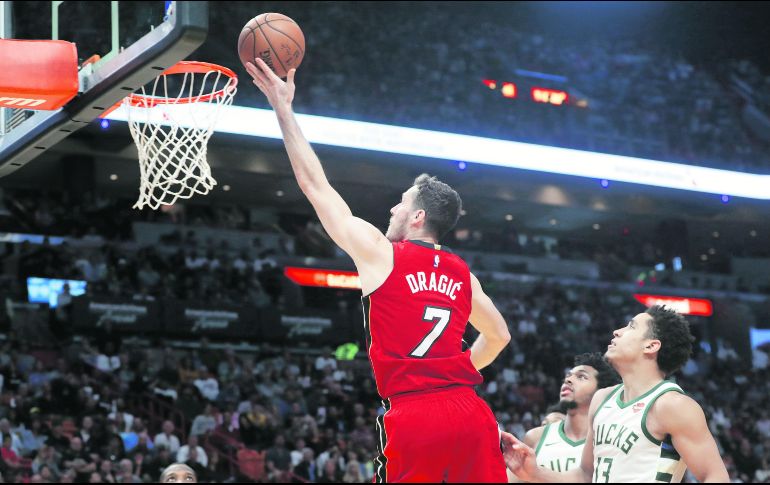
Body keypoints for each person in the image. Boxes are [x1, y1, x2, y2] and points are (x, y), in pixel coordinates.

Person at [247, 58, 512, 482]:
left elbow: (315, 186)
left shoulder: (380, 253)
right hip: (470, 410)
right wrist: (452, 371)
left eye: (402, 202)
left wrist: (283, 108)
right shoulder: (463, 273)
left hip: (415, 412)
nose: (393, 207)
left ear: (419, 217)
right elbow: (499, 335)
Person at [502, 306, 730, 483]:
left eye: (630, 327)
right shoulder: (602, 399)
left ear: (651, 346)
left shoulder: (671, 406)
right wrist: (535, 472)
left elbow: (715, 476)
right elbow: (585, 475)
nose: (617, 331)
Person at [509, 353, 620, 482]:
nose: (569, 379)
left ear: (601, 391)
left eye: (581, 377)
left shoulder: (610, 440)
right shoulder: (536, 437)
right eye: (568, 376)